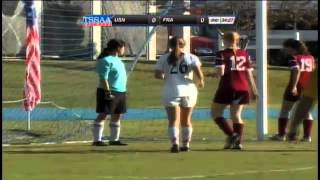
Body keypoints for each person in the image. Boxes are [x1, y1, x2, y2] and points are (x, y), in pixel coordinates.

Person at [154, 36, 205, 153]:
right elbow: (199, 74)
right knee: (186, 120)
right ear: (184, 45)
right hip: (189, 91)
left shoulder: (164, 58)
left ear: (170, 46)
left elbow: (157, 75)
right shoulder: (191, 57)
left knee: (173, 120)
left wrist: (166, 76)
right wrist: (201, 81)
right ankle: (186, 145)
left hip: (171, 90)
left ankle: (174, 144)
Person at [211, 32, 257, 150]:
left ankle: (233, 135)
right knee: (236, 115)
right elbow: (249, 73)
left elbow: (220, 73)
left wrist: (212, 74)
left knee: (216, 113)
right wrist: (254, 90)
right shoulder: (245, 54)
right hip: (243, 87)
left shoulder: (221, 54)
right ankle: (238, 143)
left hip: (227, 86)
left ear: (225, 40)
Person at [270, 39, 316, 142]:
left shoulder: (293, 58)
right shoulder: (311, 58)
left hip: (297, 85)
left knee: (285, 109)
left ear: (292, 48)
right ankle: (307, 136)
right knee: (306, 111)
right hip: (308, 87)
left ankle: (281, 135)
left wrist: (294, 86)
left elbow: (296, 70)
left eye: (286, 47)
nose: (284, 50)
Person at [92, 39, 128, 146]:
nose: (124, 49)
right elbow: (104, 78)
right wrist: (107, 92)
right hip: (108, 91)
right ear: (118, 48)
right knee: (103, 114)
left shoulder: (119, 61)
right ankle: (97, 140)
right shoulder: (105, 60)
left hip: (120, 91)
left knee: (117, 114)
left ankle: (114, 139)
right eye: (123, 47)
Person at [287, 64, 317, 142]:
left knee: (299, 113)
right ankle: (294, 135)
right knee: (300, 113)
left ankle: (293, 135)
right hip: (310, 91)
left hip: (311, 93)